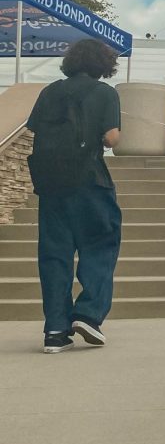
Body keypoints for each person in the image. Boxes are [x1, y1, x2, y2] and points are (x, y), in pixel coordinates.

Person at [26, 39, 122, 353]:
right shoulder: (105, 93)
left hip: (52, 185)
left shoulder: (49, 92)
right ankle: (89, 315)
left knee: (54, 255)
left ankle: (55, 330)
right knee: (100, 245)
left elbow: (35, 131)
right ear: (102, 65)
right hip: (90, 182)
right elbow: (111, 138)